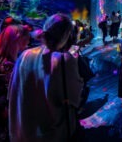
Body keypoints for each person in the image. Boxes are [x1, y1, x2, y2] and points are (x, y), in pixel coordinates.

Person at [8, 13, 85, 141]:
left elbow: (13, 91)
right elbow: (75, 98)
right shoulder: (64, 59)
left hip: (22, 132)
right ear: (66, 35)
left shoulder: (24, 55)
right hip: (51, 134)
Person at [0, 24, 30, 141]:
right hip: (2, 120)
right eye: (26, 39)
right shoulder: (7, 66)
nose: (28, 42)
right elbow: (15, 96)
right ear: (17, 40)